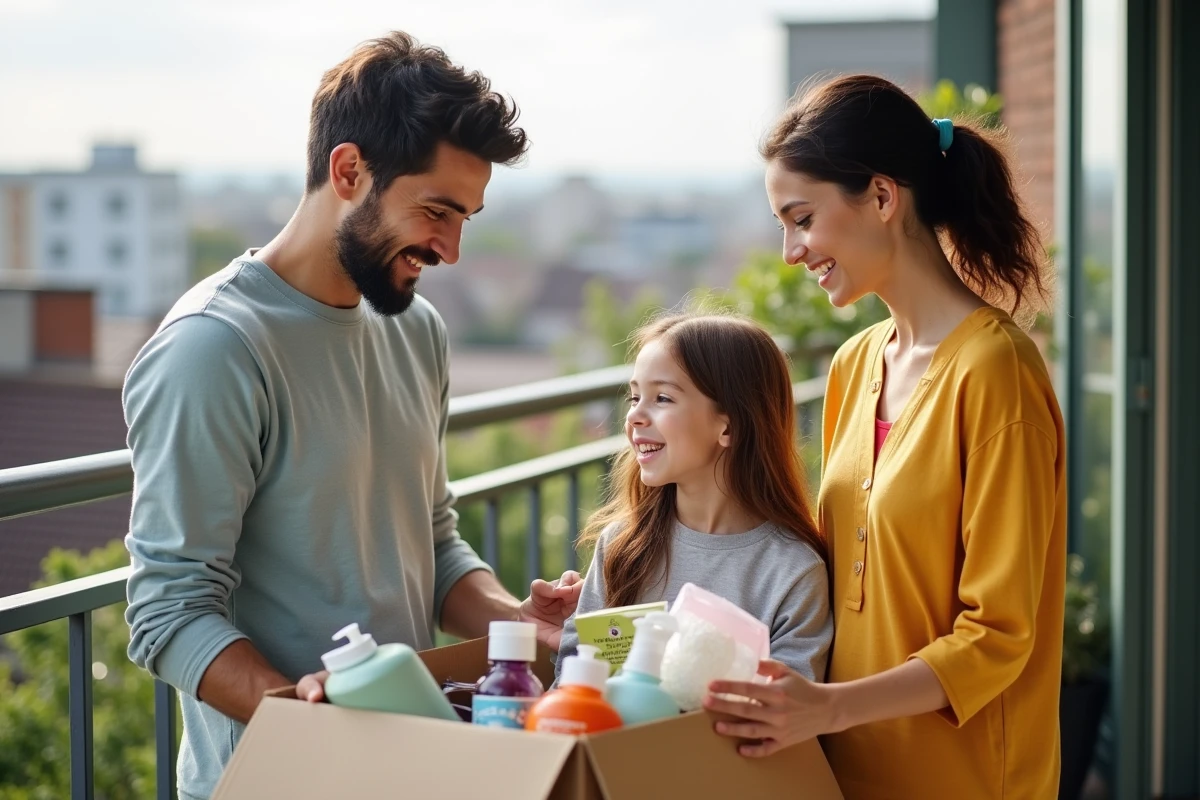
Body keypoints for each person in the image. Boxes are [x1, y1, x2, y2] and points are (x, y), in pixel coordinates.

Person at [122, 32, 580, 800]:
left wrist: (516, 624)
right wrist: (303, 718)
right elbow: (167, 613)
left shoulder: (415, 329)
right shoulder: (215, 349)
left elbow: (431, 547)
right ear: (348, 170)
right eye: (436, 210)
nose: (453, 249)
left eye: (466, 216)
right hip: (275, 778)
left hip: (410, 765)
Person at [705, 74, 1067, 798]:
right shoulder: (856, 364)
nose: (790, 251)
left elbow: (998, 635)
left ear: (880, 197)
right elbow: (826, 573)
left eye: (801, 218)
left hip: (966, 779)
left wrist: (830, 706)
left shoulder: (996, 372)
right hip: (842, 768)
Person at [556, 310, 833, 683]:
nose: (634, 416)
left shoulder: (793, 572)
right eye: (634, 397)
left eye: (662, 398)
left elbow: (785, 716)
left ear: (729, 426)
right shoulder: (622, 545)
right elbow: (572, 677)